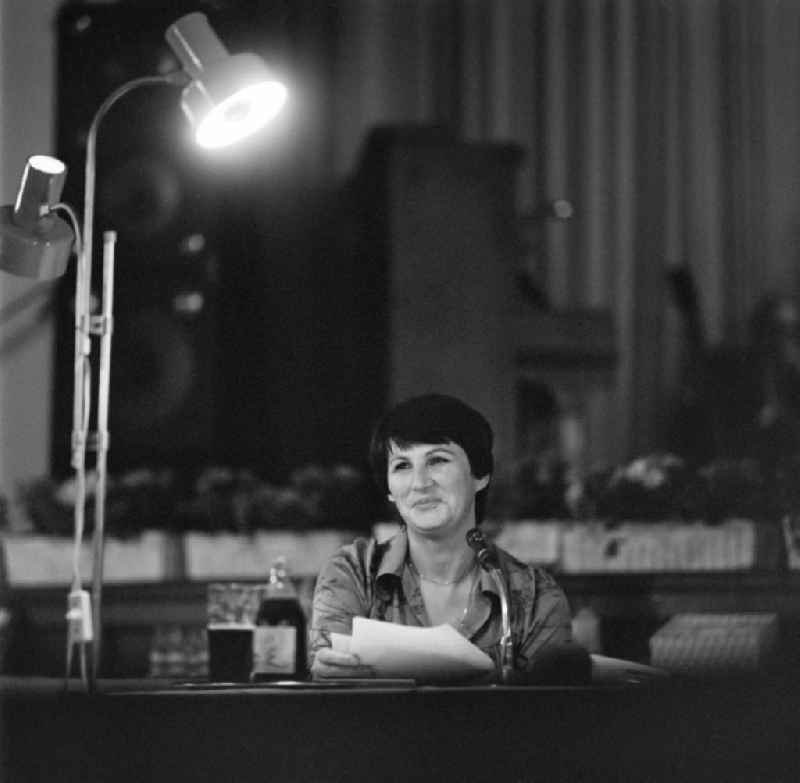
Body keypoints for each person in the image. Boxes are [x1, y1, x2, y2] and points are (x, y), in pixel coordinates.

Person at [309, 393, 575, 681]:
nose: (420, 483)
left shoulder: (535, 596)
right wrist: (330, 674)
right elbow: (333, 700)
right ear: (388, 488)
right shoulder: (352, 573)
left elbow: (547, 714)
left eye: (437, 460)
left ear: (480, 474)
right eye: (402, 466)